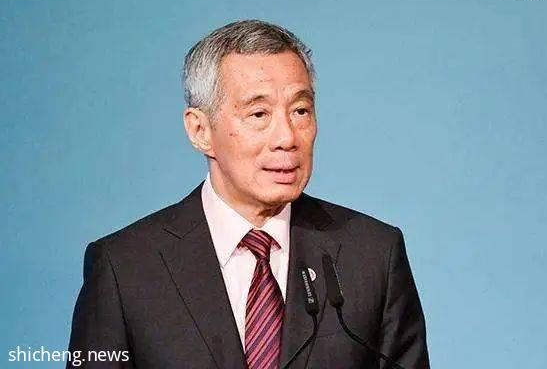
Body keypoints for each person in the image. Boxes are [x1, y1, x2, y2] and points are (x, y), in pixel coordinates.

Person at [67, 19, 430, 368]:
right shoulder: (124, 268)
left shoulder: (372, 255)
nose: (287, 138)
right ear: (200, 131)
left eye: (300, 110)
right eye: (259, 114)